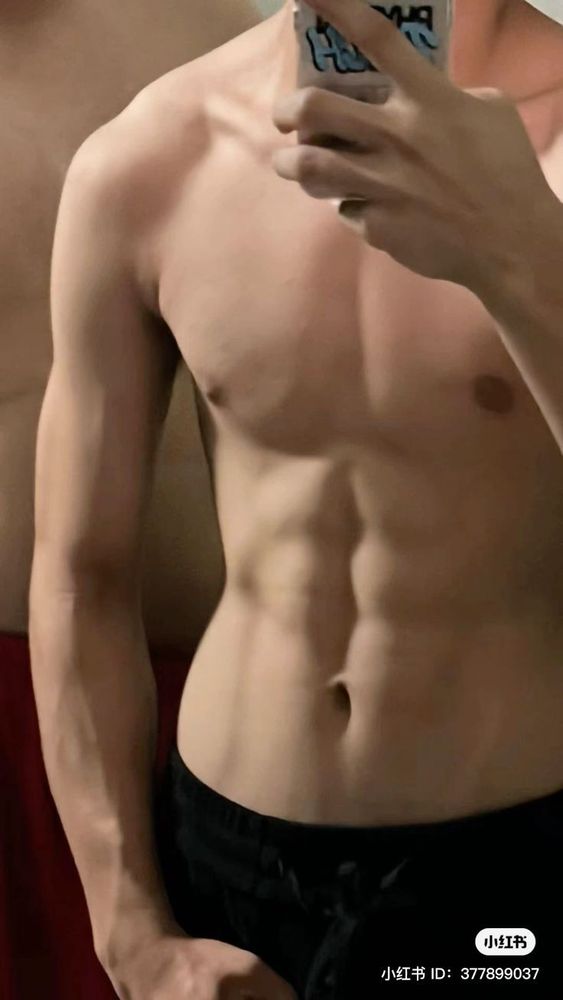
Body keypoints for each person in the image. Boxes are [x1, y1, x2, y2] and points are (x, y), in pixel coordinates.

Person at [29, 0, 563, 997]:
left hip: (512, 868)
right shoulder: (153, 154)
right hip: (222, 860)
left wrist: (525, 253)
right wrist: (130, 929)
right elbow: (77, 575)